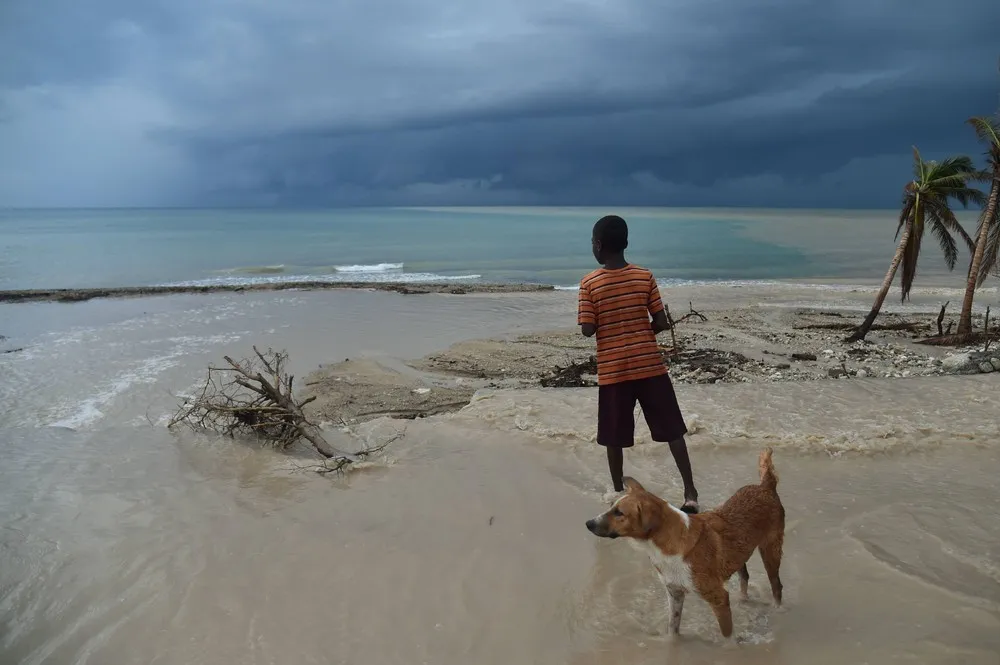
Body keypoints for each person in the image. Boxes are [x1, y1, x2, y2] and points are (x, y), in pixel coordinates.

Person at [577, 214, 699, 513]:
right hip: (650, 367)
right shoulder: (644, 276)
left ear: (599, 245)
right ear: (625, 243)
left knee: (613, 437)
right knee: (673, 430)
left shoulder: (589, 283)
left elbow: (587, 329)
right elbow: (660, 321)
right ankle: (690, 492)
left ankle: (619, 493)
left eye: (593, 242)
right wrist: (640, 329)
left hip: (614, 371)